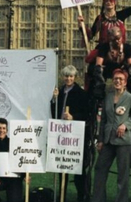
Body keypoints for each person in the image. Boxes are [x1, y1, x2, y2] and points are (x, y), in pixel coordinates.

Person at [92, 68, 131, 202]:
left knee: (123, 174)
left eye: (121, 79)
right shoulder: (107, 97)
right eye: (116, 79)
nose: (118, 81)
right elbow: (103, 121)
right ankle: (98, 199)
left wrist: (125, 125)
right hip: (108, 140)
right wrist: (100, 139)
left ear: (125, 82)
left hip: (123, 142)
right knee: (99, 169)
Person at [51, 65, 89, 202]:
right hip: (61, 133)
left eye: (71, 76)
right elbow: (53, 111)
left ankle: (81, 196)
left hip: (75, 135)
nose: (68, 78)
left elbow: (86, 113)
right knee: (62, 166)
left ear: (75, 77)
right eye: (66, 76)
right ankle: (62, 195)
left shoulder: (81, 93)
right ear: (63, 77)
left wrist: (73, 117)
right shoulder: (59, 92)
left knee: (77, 167)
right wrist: (54, 100)